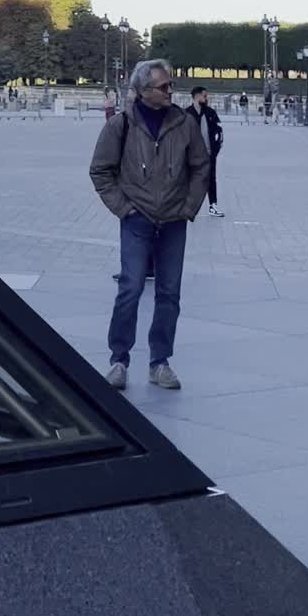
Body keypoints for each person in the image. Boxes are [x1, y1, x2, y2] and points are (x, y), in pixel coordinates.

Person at [89, 59, 209, 392]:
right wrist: (123, 209)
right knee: (130, 289)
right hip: (136, 218)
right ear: (144, 91)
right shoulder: (120, 126)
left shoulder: (184, 123)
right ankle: (118, 360)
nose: (171, 90)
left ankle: (160, 362)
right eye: (164, 86)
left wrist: (189, 207)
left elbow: (201, 166)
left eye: (171, 84)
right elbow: (100, 170)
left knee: (169, 293)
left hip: (173, 220)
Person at [186, 86, 224, 216]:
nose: (207, 98)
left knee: (211, 179)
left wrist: (216, 149)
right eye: (205, 96)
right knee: (189, 179)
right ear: (197, 96)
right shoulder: (186, 114)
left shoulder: (210, 113)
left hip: (208, 154)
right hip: (191, 155)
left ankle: (213, 205)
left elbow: (219, 132)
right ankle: (188, 206)